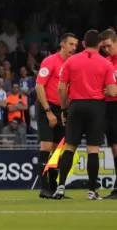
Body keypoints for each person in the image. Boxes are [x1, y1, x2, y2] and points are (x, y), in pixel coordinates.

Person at [54, 30, 117, 200]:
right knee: (93, 150)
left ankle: (60, 187)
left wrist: (64, 108)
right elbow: (112, 91)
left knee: (69, 147)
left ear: (82, 44)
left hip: (75, 105)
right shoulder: (106, 64)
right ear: (99, 45)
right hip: (96, 107)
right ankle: (91, 191)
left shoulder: (71, 61)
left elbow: (61, 88)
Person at [35, 33, 78, 199]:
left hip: (62, 109)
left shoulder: (73, 64)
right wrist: (48, 111)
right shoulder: (50, 61)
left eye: (75, 45)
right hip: (47, 107)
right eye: (71, 44)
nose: (74, 48)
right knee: (46, 146)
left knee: (57, 150)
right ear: (62, 45)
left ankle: (53, 188)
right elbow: (39, 87)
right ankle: (44, 188)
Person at [99, 29, 117, 199]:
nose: (106, 49)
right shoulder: (106, 61)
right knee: (113, 147)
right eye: (103, 47)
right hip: (108, 107)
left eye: (108, 46)